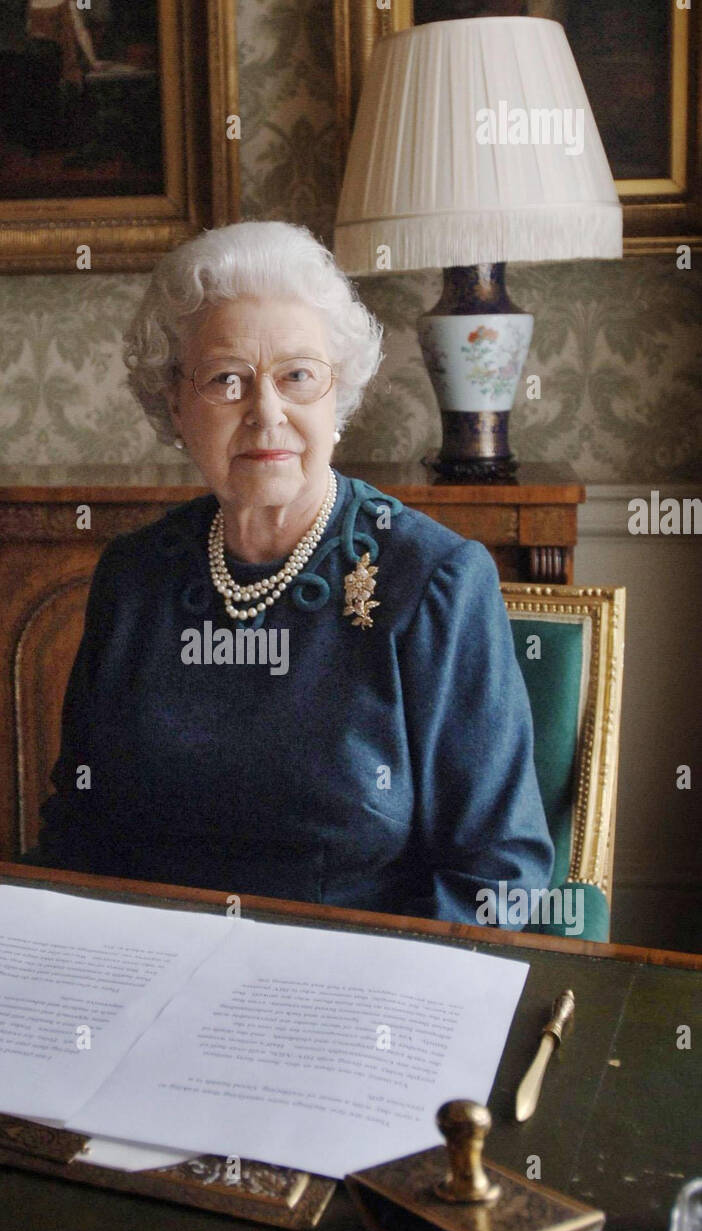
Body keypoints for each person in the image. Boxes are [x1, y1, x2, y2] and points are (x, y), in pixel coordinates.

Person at [30, 220, 554, 928]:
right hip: (145, 980)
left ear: (336, 401)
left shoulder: (431, 583)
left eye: (297, 377)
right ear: (176, 406)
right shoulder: (134, 578)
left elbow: (500, 874)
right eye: (227, 380)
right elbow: (79, 828)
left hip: (354, 998)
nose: (266, 413)